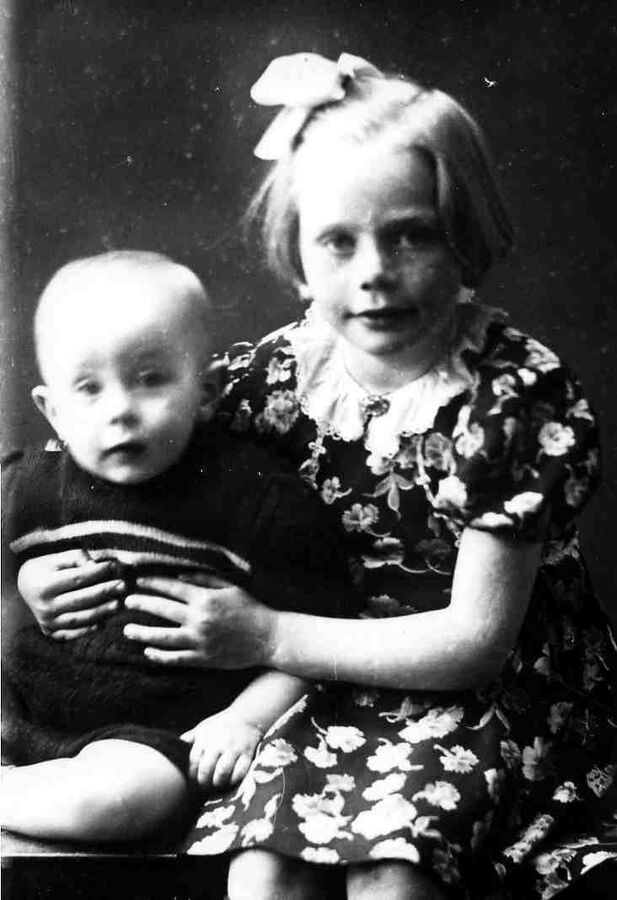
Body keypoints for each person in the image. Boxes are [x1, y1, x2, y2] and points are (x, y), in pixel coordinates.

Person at [14, 54, 617, 899]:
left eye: (410, 234)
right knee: (263, 870)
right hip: (306, 693)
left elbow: (474, 643)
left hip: (482, 699)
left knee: (392, 869)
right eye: (337, 242)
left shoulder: (509, 399)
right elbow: (114, 455)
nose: (372, 271)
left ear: (465, 233)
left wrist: (267, 637)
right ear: (296, 253)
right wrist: (39, 571)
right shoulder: (275, 375)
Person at [0, 249, 356, 845]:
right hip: (20, 703)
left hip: (148, 737)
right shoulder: (26, 486)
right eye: (88, 388)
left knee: (123, 801)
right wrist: (20, 585)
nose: (120, 410)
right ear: (52, 410)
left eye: (151, 380)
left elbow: (317, 633)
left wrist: (244, 719)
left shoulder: (256, 499)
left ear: (206, 392)